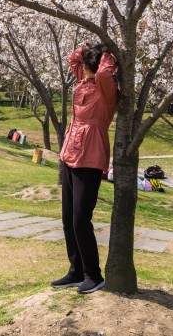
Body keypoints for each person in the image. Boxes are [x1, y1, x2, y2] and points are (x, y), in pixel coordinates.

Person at [52, 43, 118, 294]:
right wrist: (90, 46)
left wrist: (108, 52)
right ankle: (76, 270)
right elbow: (73, 58)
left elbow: (102, 73)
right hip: (70, 152)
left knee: (81, 219)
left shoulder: (105, 86)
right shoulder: (84, 81)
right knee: (68, 219)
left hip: (90, 155)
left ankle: (94, 274)